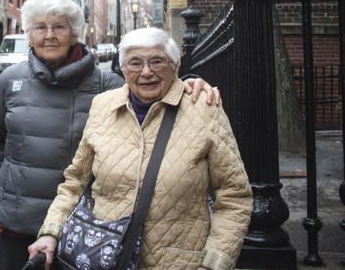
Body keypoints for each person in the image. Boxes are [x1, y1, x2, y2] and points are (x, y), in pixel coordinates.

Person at [0, 0, 221, 269]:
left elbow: (152, 92)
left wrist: (192, 83)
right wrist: (20, 178)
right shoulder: (9, 81)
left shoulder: (106, 84)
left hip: (85, 223)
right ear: (29, 35)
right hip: (18, 218)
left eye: (58, 26)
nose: (49, 35)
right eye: (40, 27)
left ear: (74, 32)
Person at [28, 27, 252, 270]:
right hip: (105, 257)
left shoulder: (204, 108)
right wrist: (50, 232)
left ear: (175, 65)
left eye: (157, 61)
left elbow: (234, 196)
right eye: (135, 63)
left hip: (178, 263)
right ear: (123, 69)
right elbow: (74, 182)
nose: (146, 72)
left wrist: (213, 263)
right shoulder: (103, 106)